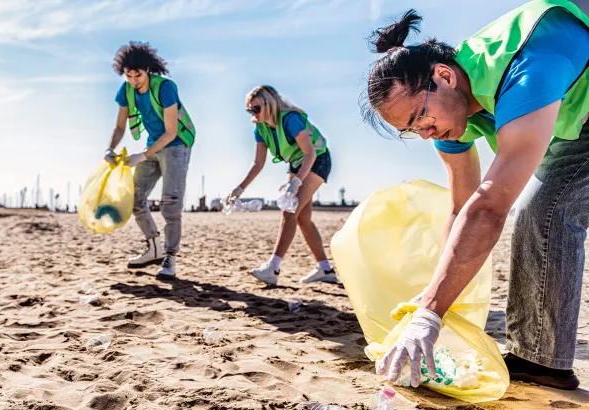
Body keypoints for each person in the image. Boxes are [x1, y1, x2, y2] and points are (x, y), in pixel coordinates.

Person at [362, 0, 589, 390]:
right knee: (542, 210)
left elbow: (489, 209)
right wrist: (435, 293)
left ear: (445, 76)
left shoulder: (523, 70)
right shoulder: (454, 114)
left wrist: (430, 314)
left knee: (549, 209)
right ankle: (539, 361)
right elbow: (461, 206)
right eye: (411, 130)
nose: (425, 134)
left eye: (421, 118)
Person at [227, 85, 337, 285]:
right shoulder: (259, 128)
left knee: (289, 210)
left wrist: (296, 181)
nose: (253, 113)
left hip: (317, 159)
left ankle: (273, 268)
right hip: (297, 163)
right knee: (302, 219)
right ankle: (325, 269)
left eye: (256, 108)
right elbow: (258, 163)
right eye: (250, 110)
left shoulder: (290, 119)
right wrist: (240, 188)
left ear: (270, 104)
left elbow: (310, 153)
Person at [104, 41, 195, 280]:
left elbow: (172, 132)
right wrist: (109, 148)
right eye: (128, 75)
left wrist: (141, 155)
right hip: (152, 145)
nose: (134, 80)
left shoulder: (165, 87)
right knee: (134, 198)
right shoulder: (125, 90)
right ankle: (153, 247)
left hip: (176, 145)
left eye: (138, 75)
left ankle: (170, 257)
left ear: (148, 70)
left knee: (170, 203)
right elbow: (120, 126)